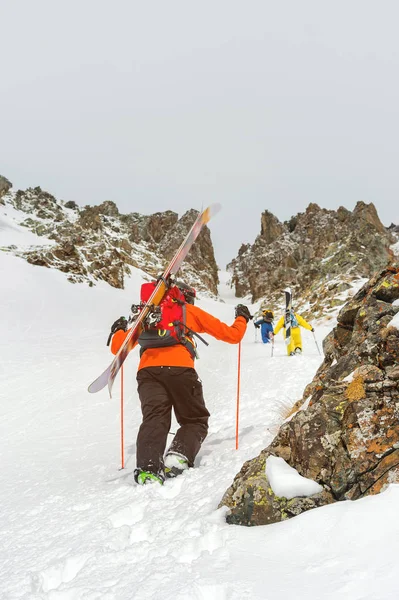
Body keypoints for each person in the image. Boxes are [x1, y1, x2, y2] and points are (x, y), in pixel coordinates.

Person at [109, 284, 252, 485]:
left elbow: (118, 347)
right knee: (195, 419)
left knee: (154, 418)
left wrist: (119, 330)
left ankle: (148, 470)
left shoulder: (147, 315)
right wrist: (242, 318)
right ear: (184, 298)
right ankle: (178, 455)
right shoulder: (188, 311)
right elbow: (232, 335)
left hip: (148, 372)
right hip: (180, 370)